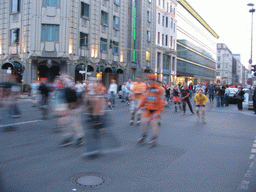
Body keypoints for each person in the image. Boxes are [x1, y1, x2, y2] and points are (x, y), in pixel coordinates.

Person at [136, 74, 165, 146]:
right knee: (143, 121)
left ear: (154, 81)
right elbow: (144, 98)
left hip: (156, 109)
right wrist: (139, 106)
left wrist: (160, 110)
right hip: (147, 108)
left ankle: (154, 138)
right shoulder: (147, 89)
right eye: (149, 80)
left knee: (153, 123)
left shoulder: (159, 89)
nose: (150, 82)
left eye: (151, 80)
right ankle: (144, 135)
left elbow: (162, 100)